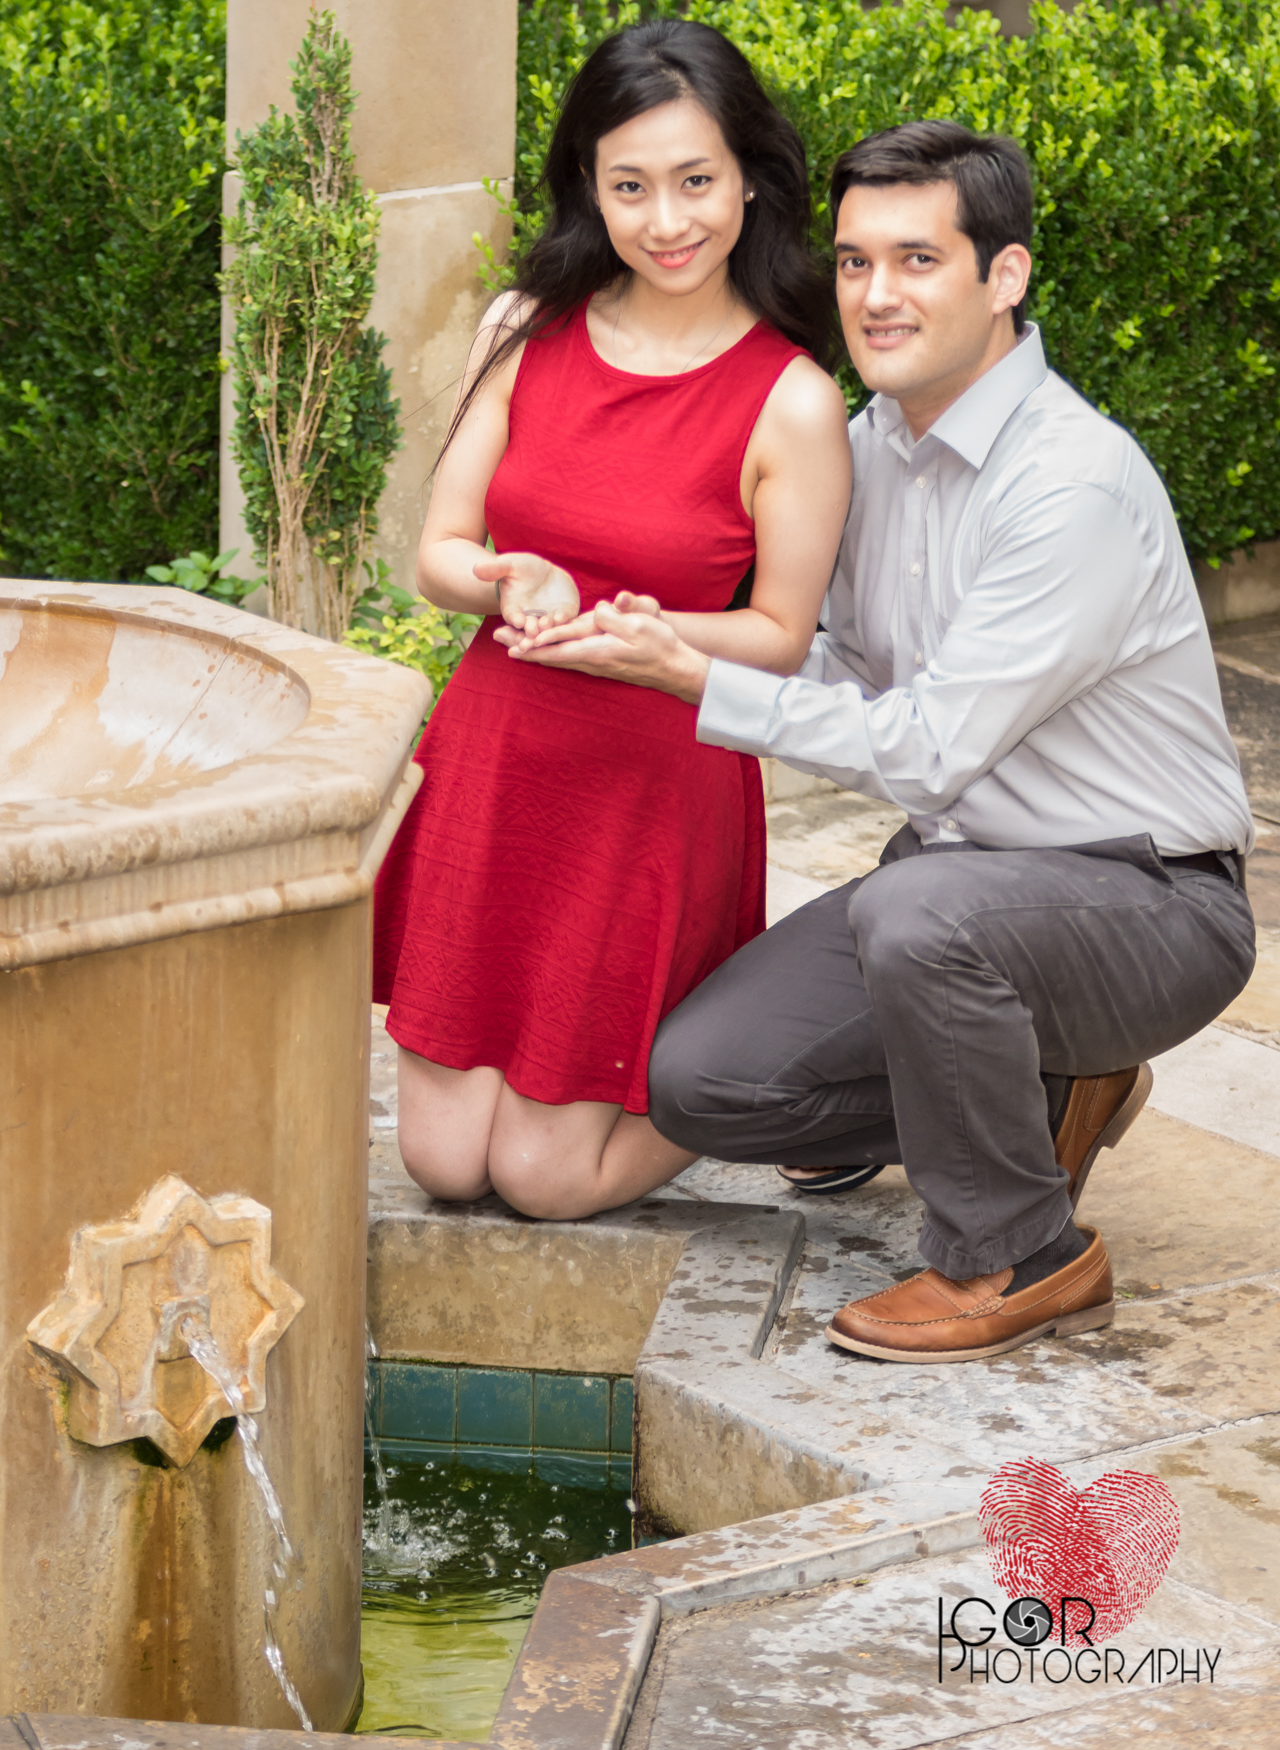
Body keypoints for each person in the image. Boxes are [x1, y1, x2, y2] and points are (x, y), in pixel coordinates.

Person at [512, 119, 1255, 1361]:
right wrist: (641, 633)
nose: (874, 294)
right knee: (704, 1083)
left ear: (1001, 277)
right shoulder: (870, 449)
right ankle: (1046, 1086)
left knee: (918, 919)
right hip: (961, 886)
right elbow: (830, 658)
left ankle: (1018, 1253)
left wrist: (693, 676)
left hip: (1151, 903)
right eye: (853, 263)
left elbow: (922, 750)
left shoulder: (1067, 483)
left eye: (915, 261)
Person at [373, 20, 853, 1221]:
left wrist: (661, 645)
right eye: (628, 186)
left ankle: (844, 1103)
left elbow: (783, 636)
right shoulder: (522, 325)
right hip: (496, 761)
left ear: (749, 174)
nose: (666, 220)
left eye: (695, 181)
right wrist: (506, 582)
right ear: (587, 184)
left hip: (646, 784)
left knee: (543, 1177)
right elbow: (438, 553)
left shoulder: (791, 399)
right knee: (440, 1163)